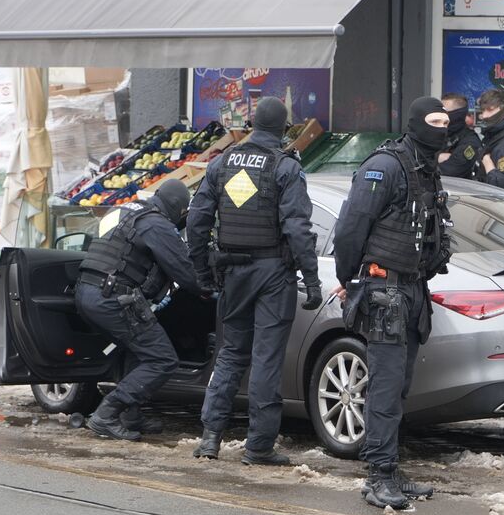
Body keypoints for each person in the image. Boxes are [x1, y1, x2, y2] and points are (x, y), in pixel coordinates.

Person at [331, 97, 454, 510]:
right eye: (434, 122)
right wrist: (347, 278)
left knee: (398, 386)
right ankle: (378, 475)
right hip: (385, 291)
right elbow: (351, 227)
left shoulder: (427, 168)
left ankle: (391, 466)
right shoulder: (385, 167)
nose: (442, 128)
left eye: (447, 122)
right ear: (416, 123)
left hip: (413, 290)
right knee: (383, 387)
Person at [187, 97, 321, 466]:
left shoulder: (223, 162)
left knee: (230, 353)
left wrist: (202, 270)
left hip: (233, 273)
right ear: (284, 128)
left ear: (252, 124)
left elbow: (196, 219)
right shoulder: (285, 167)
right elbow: (298, 228)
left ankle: (209, 438)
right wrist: (311, 280)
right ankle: (259, 446)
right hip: (273, 274)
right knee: (265, 359)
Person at [75, 180, 208, 440]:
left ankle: (130, 415)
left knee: (138, 349)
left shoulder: (122, 210)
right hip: (114, 298)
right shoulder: (157, 224)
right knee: (162, 359)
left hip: (87, 291)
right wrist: (210, 285)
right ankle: (107, 414)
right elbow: (187, 275)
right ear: (177, 209)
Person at [437, 93, 482, 179]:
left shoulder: (470, 142)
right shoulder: (439, 134)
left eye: (444, 112)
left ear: (457, 115)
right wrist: (437, 157)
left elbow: (448, 171)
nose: (440, 115)